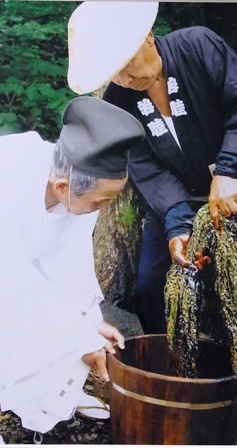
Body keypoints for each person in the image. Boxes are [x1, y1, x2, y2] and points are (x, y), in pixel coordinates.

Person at [67, 2, 237, 436]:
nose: (125, 80)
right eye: (113, 73)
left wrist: (229, 169)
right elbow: (146, 167)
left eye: (128, 66)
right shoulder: (120, 97)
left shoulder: (198, 46)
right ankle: (175, 371)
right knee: (153, 285)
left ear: (148, 38)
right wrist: (177, 224)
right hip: (178, 204)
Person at [0, 96, 145, 436]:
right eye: (100, 202)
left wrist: (91, 325)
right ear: (63, 187)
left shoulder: (73, 186)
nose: (103, 209)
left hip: (14, 279)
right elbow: (14, 284)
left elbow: (70, 268)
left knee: (71, 326)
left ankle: (50, 395)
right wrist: (78, 337)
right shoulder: (10, 177)